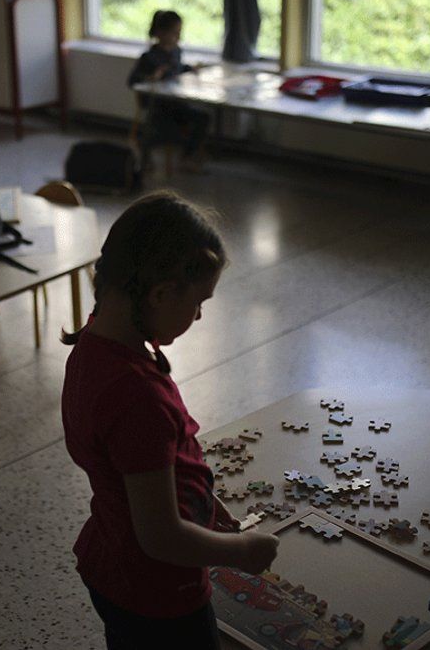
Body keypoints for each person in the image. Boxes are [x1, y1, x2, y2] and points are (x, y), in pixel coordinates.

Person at [61, 192, 279, 649]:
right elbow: (160, 537)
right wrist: (240, 552)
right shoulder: (139, 398)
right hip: (158, 593)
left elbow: (140, 475)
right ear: (160, 294)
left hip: (110, 559)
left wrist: (202, 507)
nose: (199, 315)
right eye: (198, 301)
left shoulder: (93, 344)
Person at [127, 10, 211, 171]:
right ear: (161, 33)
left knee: (203, 117)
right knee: (164, 129)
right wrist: (151, 78)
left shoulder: (176, 51)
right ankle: (145, 158)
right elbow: (132, 81)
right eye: (175, 33)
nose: (178, 37)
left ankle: (187, 156)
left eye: (179, 33)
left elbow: (177, 69)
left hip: (177, 103)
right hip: (158, 107)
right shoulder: (149, 57)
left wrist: (189, 68)